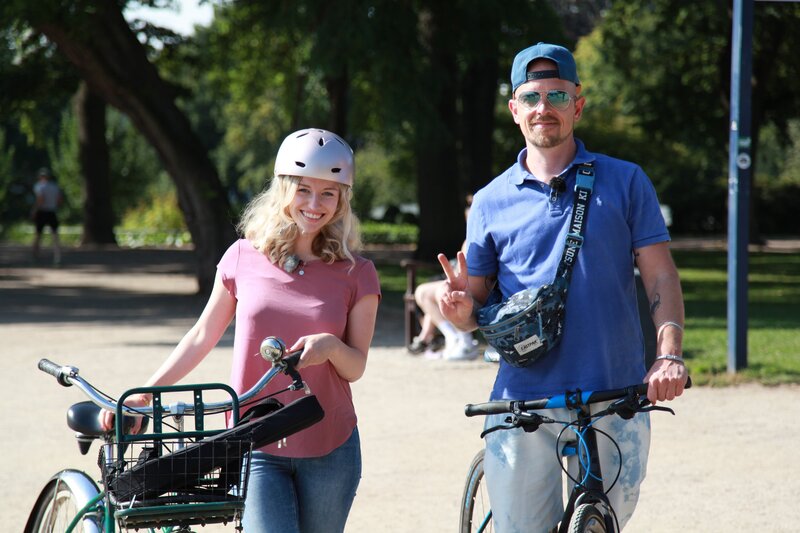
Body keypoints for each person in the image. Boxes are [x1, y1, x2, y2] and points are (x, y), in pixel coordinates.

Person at [437, 43, 688, 531]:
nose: (543, 108)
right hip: (523, 401)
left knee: (606, 520)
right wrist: (461, 311)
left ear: (578, 103)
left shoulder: (626, 181)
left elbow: (661, 275)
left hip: (616, 393)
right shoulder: (489, 200)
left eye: (556, 94)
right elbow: (479, 306)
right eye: (530, 97)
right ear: (514, 110)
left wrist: (669, 354)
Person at [100, 128, 381, 533]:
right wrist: (146, 392)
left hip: (331, 447)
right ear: (283, 190)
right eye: (303, 190)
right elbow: (201, 336)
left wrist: (331, 346)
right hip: (255, 442)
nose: (314, 204)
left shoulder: (358, 273)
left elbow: (354, 366)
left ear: (342, 201)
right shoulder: (242, 257)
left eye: (328, 193)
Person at [409, 195, 479, 360]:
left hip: (473, 286)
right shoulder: (471, 236)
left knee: (425, 293)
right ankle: (451, 338)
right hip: (464, 282)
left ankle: (455, 339)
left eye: (472, 206)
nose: (468, 211)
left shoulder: (477, 236)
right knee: (428, 292)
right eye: (468, 206)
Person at [30, 167, 63, 265]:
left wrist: (34, 210)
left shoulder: (39, 186)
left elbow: (40, 199)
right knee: (55, 235)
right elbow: (60, 199)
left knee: (38, 235)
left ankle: (35, 256)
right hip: (52, 211)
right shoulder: (54, 186)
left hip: (42, 211)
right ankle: (57, 257)